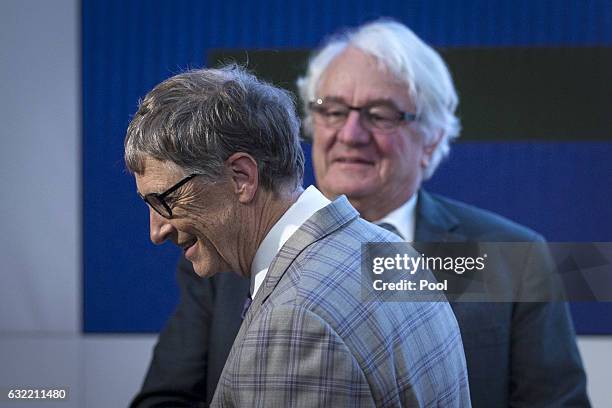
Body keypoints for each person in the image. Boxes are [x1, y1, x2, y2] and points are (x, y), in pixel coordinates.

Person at [132, 20, 589, 407]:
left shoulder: (510, 257)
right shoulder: (224, 240)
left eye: (380, 114)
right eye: (331, 110)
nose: (350, 133)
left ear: (431, 139)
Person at [125, 65, 471, 407]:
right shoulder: (390, 252)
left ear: (241, 177)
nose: (157, 230)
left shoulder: (293, 324)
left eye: (166, 200)